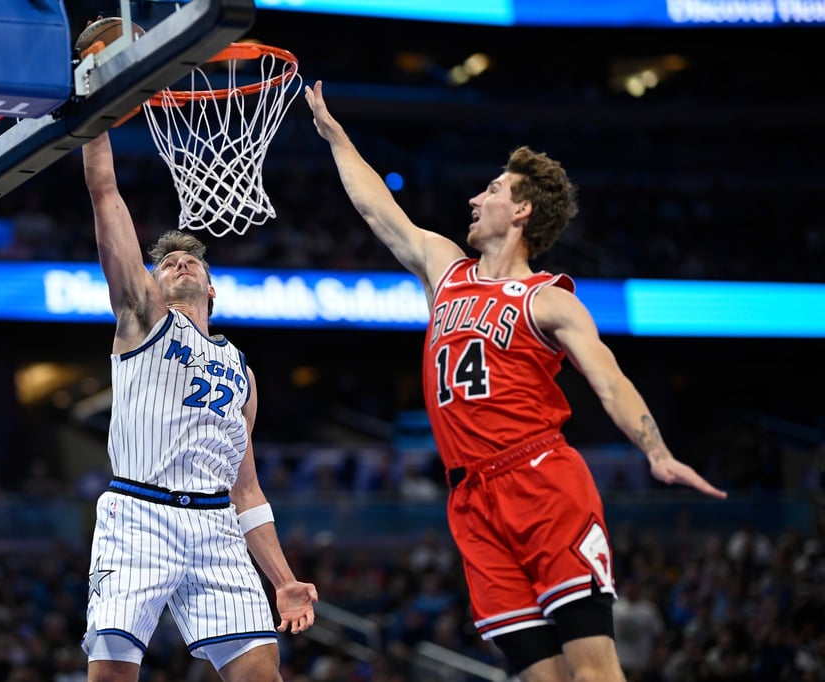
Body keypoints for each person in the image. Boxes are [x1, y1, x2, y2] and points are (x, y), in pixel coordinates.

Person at [305, 80, 727, 682]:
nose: (476, 198)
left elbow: (609, 378)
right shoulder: (446, 271)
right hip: (470, 498)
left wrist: (655, 451)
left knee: (593, 671)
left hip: (541, 481)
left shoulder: (548, 298)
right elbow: (378, 209)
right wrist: (335, 136)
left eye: (493, 189)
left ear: (522, 210)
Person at [79, 130, 318, 682]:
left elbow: (246, 490)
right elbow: (105, 193)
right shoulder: (143, 318)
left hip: (215, 524)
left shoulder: (242, 371)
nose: (181, 264)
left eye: (191, 261)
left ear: (212, 289)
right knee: (112, 673)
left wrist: (283, 579)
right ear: (152, 283)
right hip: (139, 512)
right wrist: (96, 117)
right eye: (168, 263)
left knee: (261, 673)